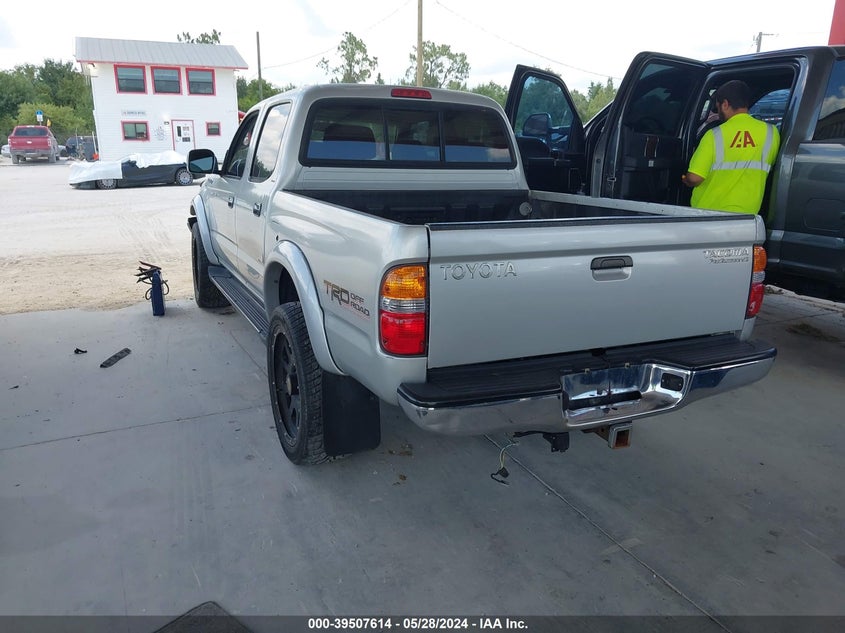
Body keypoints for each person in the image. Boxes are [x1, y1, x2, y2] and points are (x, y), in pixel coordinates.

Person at [682, 80, 780, 214]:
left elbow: (695, 178)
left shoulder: (714, 135)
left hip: (708, 214)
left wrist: (685, 180)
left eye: (717, 107)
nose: (718, 113)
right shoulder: (771, 132)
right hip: (748, 216)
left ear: (725, 104)